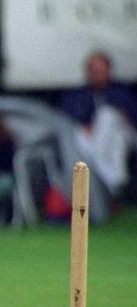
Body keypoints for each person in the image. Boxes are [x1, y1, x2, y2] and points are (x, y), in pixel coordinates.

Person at [58, 51, 137, 198]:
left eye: (101, 70)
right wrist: (86, 124)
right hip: (99, 139)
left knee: (108, 117)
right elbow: (70, 117)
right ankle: (117, 181)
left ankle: (106, 181)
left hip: (125, 133)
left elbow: (130, 115)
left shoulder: (121, 91)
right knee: (81, 134)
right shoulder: (79, 94)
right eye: (94, 71)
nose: (98, 74)